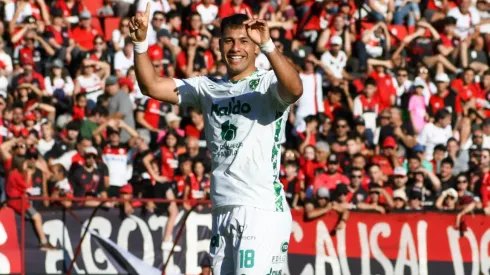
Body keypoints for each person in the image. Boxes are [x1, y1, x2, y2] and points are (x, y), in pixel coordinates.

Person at [130, 6, 303, 274]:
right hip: (222, 208)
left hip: (261, 209)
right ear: (219, 46)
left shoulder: (268, 84)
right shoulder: (207, 88)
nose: (236, 48)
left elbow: (295, 88)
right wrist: (140, 43)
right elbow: (151, 86)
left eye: (244, 41)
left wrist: (269, 44)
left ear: (255, 46)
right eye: (229, 41)